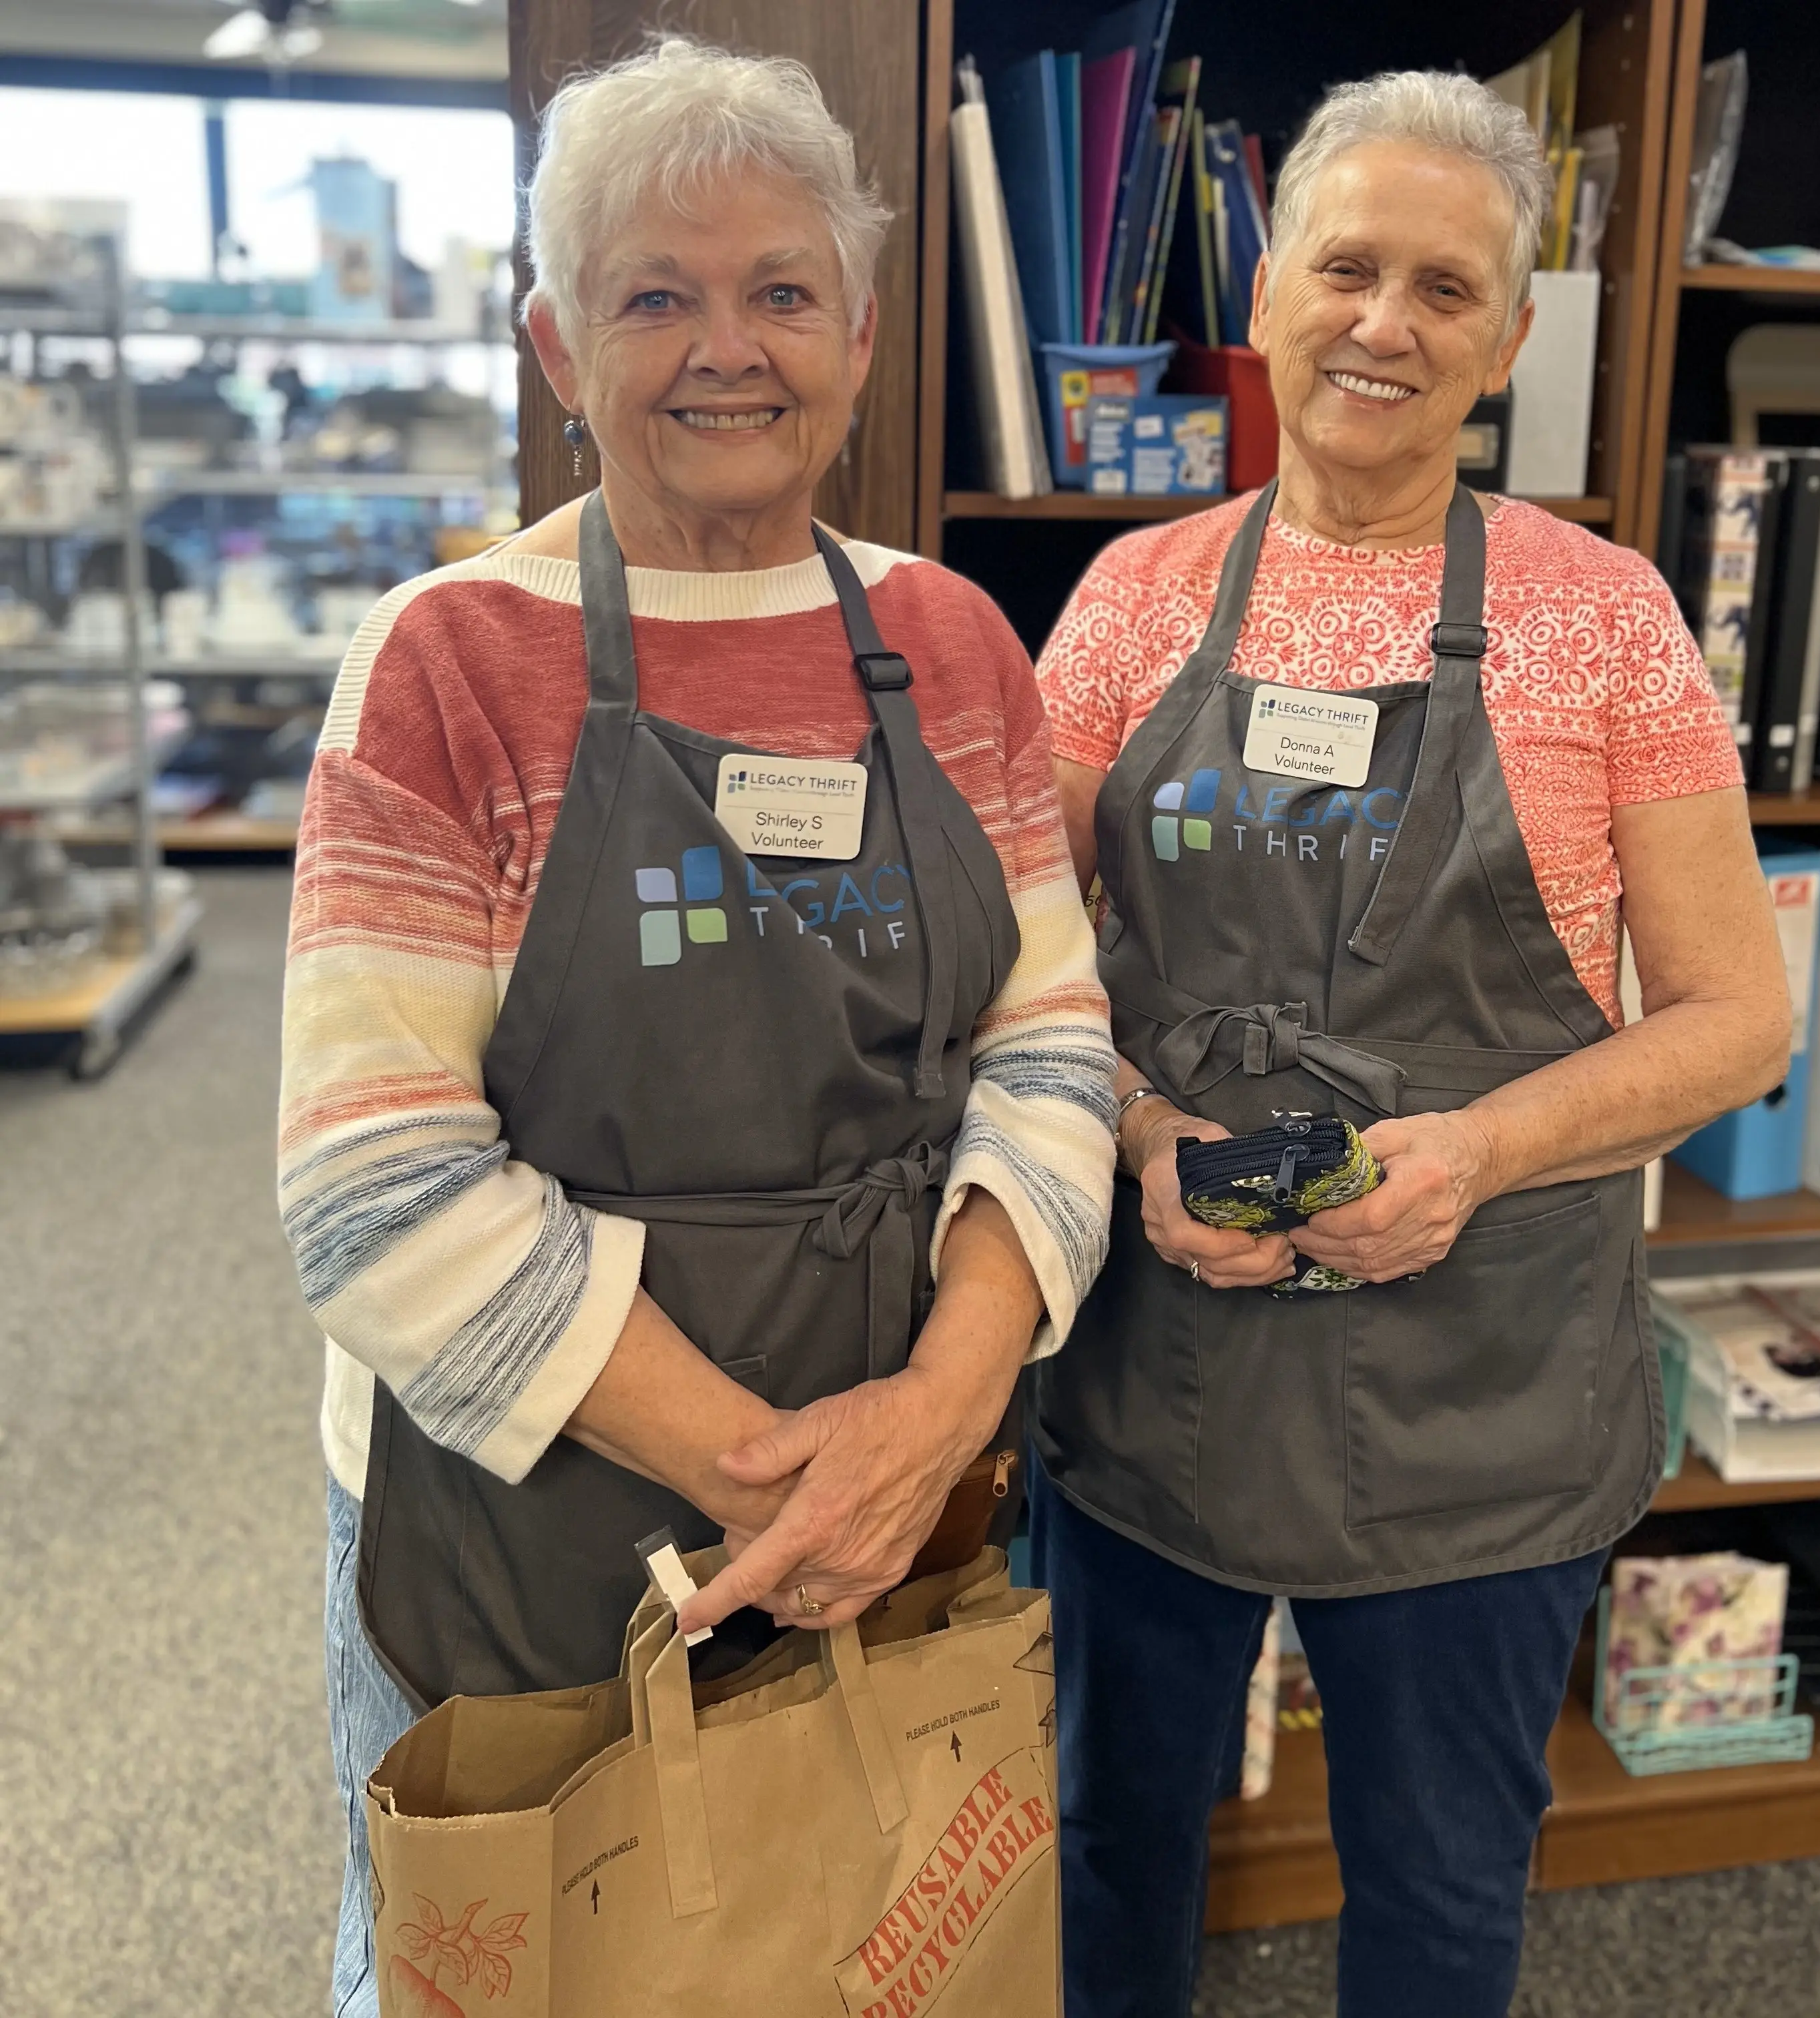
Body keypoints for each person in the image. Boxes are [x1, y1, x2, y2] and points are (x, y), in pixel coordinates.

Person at [278, 37, 1115, 2017]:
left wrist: (936, 1421)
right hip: (528, 1508)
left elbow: (1056, 1047)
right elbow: (373, 1194)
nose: (725, 348)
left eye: (780, 292)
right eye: (655, 294)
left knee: (851, 1935)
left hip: (899, 1466)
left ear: (863, 333)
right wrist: (785, 1481)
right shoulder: (446, 664)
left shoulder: (957, 644)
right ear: (558, 347)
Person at [1028, 70, 1791, 2018]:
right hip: (1162, 1373)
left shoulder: (1606, 623)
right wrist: (1129, 1132)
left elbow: (1737, 1021)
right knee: (1112, 1837)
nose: (1386, 323)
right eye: (1347, 269)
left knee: (1444, 1885)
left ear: (1511, 337)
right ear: (1268, 291)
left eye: (1445, 289)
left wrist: (1476, 1153)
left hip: (1484, 1397)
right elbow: (1017, 977)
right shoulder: (1126, 605)